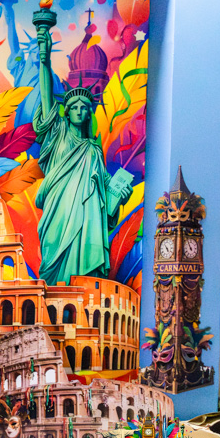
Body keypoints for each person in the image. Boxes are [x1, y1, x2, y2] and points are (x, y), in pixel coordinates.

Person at [33, 24, 132, 286]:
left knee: (84, 281)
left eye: (84, 107)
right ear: (66, 112)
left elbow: (104, 196)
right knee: (53, 271)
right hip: (58, 212)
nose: (79, 111)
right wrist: (44, 60)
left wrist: (119, 195)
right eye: (74, 107)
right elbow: (46, 96)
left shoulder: (93, 150)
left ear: (89, 113)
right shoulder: (58, 133)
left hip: (87, 221)